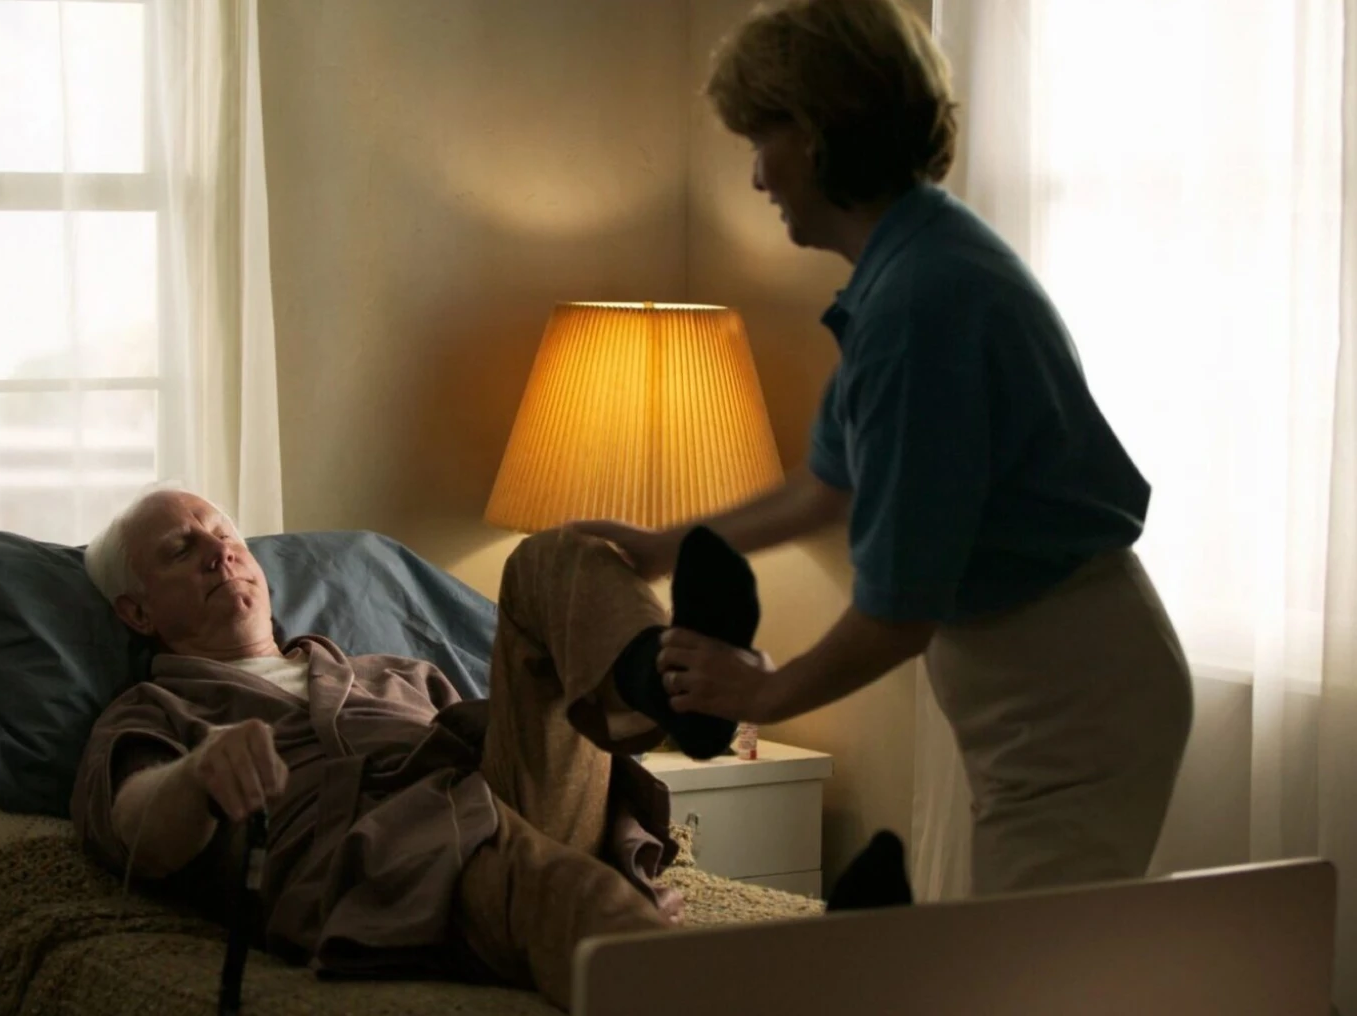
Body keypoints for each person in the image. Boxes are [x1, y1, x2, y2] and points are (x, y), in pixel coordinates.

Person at [573, 0, 1193, 897]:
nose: (756, 177)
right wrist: (667, 547)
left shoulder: (920, 309)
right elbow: (825, 490)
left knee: (1031, 978)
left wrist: (764, 695)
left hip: (1070, 694)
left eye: (763, 138)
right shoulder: (909, 269)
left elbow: (900, 613)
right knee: (1033, 966)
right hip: (1054, 683)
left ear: (821, 134)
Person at [71, 488, 764, 1008]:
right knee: (561, 888)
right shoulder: (155, 709)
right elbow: (137, 827)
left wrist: (626, 860)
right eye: (180, 550)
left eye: (226, 536)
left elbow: (528, 756)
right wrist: (197, 776)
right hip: (387, 869)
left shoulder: (392, 672)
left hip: (494, 800)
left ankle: (673, 686)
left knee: (554, 553)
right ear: (136, 612)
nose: (219, 551)